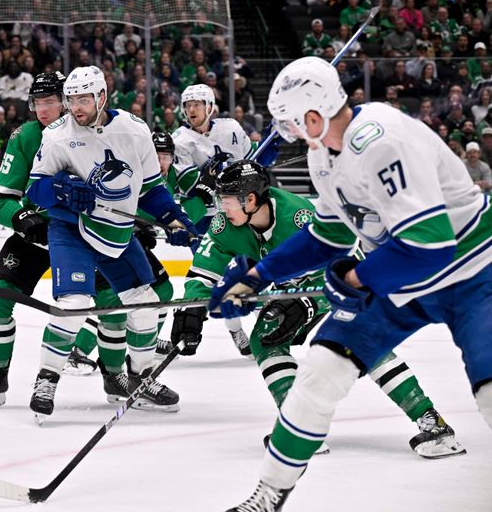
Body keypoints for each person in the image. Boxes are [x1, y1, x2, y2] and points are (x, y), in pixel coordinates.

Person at [215, 56, 492, 511]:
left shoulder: (383, 140)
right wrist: (256, 276)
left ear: (313, 116)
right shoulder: (322, 154)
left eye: (289, 123)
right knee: (321, 370)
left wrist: (355, 276)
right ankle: (268, 493)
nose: (288, 133)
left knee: (490, 392)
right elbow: (330, 234)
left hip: (472, 270)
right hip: (401, 274)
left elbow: (430, 244)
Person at [175, 159, 464, 457]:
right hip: (292, 293)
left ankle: (433, 423)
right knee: (266, 341)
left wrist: (309, 302)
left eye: (227, 201)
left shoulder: (300, 217)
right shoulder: (226, 226)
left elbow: (346, 263)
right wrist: (190, 311)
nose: (222, 208)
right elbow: (204, 271)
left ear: (250, 200)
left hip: (344, 284)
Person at [24, 66, 197, 423]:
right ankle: (47, 378)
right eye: (71, 99)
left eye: (83, 99)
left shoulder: (134, 131)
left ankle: (142, 376)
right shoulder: (57, 135)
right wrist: (59, 189)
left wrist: (173, 219)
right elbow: (35, 189)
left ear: (102, 96)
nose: (76, 107)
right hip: (70, 230)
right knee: (75, 302)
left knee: (146, 303)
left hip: (115, 230)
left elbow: (151, 188)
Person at [0, 72, 66, 408]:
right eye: (38, 102)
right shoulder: (24, 137)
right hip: (35, 238)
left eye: (50, 101)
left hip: (78, 238)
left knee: (108, 303)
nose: (43, 109)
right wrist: (21, 216)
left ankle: (116, 373)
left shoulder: (91, 135)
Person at [172, 84, 253, 235]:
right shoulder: (179, 140)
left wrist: (270, 148)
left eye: (196, 104)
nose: (191, 110)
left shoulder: (231, 128)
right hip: (202, 214)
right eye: (188, 105)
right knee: (203, 257)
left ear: (209, 106)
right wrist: (211, 177)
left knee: (249, 257)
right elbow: (188, 185)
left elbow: (252, 160)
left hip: (237, 209)